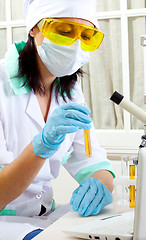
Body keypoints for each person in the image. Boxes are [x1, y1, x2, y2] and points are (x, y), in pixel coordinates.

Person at [0, 0, 115, 239]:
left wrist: (101, 184)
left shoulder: (70, 91)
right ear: (34, 27)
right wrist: (41, 147)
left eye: (86, 36)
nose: (75, 45)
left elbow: (93, 162)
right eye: (63, 31)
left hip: (45, 219)